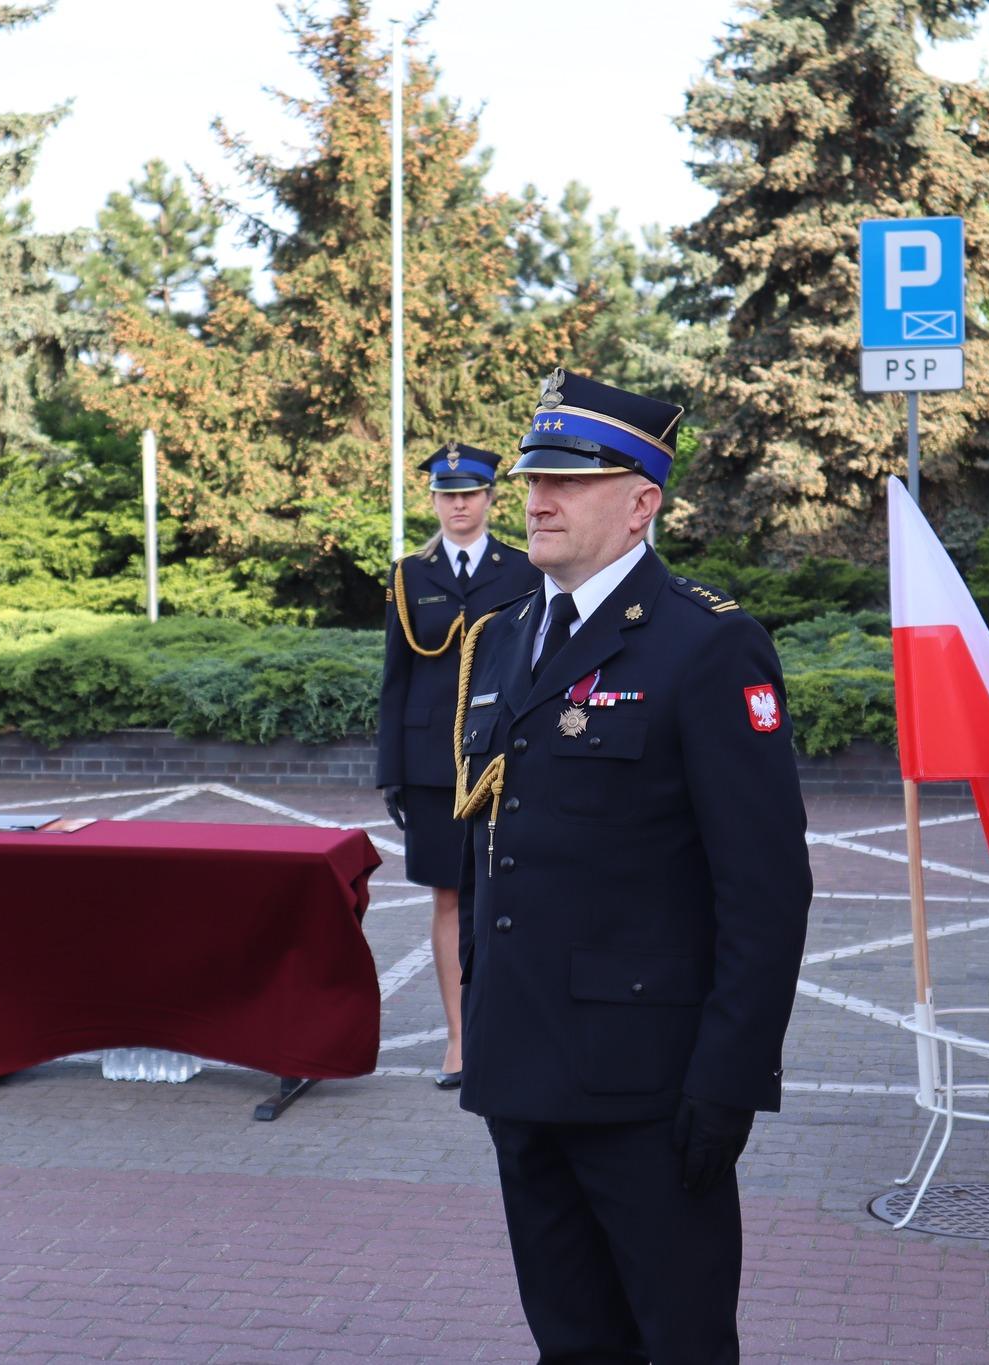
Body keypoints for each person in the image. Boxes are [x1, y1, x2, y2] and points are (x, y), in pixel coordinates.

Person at [450, 368, 812, 1363]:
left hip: (648, 1092)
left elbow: (765, 889)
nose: (538, 499)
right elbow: (491, 845)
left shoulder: (705, 645)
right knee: (569, 1344)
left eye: (569, 481)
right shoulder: (503, 639)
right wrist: (481, 1009)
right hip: (522, 1072)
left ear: (641, 502)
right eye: (534, 478)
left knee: (681, 1343)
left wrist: (729, 1080)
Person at [376, 443, 538, 1089]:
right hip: (430, 765)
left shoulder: (523, 568)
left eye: (470, 493)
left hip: (502, 755)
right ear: (435, 501)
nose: (459, 505)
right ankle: (459, 1039)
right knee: (448, 894)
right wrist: (391, 770)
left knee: (509, 892)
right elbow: (396, 679)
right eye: (448, 495)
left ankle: (505, 1029)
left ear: (491, 497)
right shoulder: (410, 576)